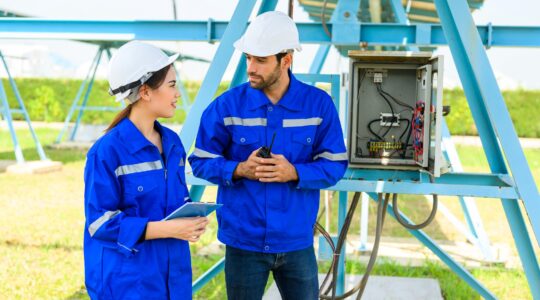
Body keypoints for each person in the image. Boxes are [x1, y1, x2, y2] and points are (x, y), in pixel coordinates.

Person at [188, 11, 348, 300]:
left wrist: (295, 172)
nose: (251, 67)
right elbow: (199, 161)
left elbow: (335, 165)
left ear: (286, 60)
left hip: (296, 241)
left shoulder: (318, 105)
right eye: (249, 58)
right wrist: (238, 169)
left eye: (260, 60)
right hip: (243, 242)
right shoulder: (226, 107)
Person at [83, 41, 208, 299]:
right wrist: (171, 229)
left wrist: (191, 219)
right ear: (146, 92)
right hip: (129, 283)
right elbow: (99, 224)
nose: (177, 94)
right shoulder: (107, 151)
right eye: (172, 85)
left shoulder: (172, 143)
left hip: (173, 278)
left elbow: (173, 202)